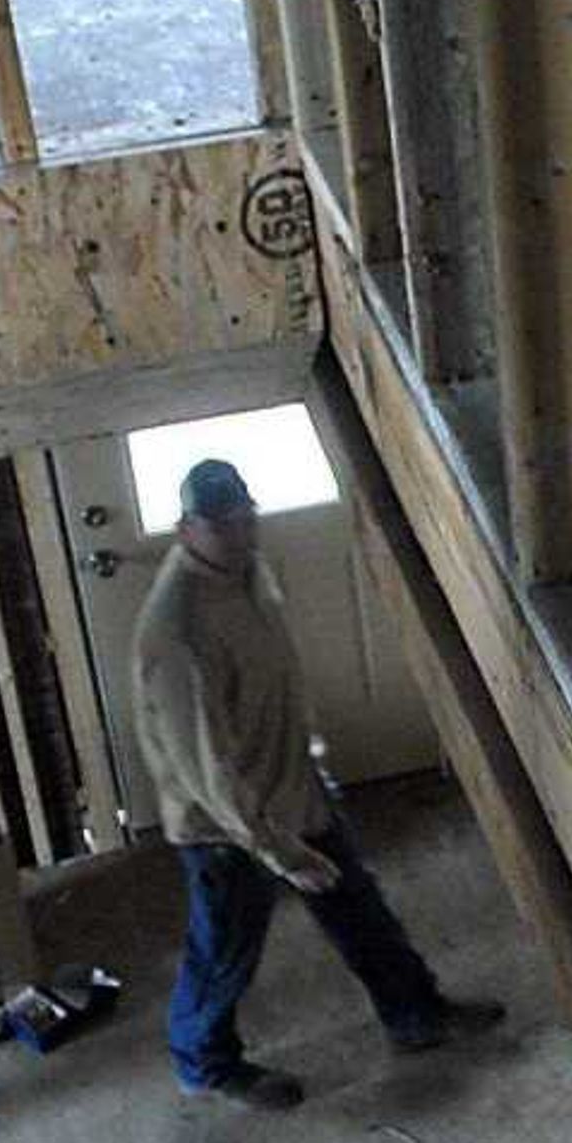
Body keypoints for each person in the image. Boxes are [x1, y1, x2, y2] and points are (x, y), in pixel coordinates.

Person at [133, 457, 501, 1107]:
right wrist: (275, 848)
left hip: (297, 792)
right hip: (229, 828)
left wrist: (309, 758)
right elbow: (205, 764)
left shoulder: (250, 571)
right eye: (223, 523)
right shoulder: (177, 630)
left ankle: (416, 1015)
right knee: (224, 950)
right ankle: (204, 1062)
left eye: (247, 514)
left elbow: (278, 671)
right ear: (186, 527)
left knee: (362, 913)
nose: (242, 530)